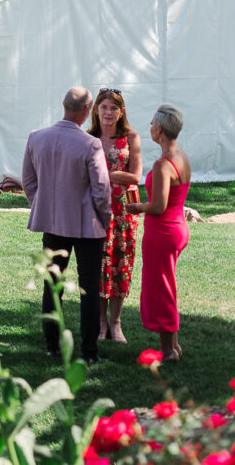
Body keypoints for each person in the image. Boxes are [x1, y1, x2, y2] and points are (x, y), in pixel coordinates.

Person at [22, 86, 111, 363]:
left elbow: (28, 180)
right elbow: (101, 190)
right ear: (87, 111)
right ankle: (89, 351)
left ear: (63, 105)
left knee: (53, 284)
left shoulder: (37, 138)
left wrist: (45, 205)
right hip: (87, 225)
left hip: (53, 223)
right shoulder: (90, 144)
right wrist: (105, 221)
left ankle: (52, 344)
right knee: (88, 288)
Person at [126, 104, 190, 361]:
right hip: (176, 228)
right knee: (167, 285)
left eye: (152, 123)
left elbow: (158, 206)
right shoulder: (181, 156)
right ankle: (173, 346)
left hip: (163, 231)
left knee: (160, 288)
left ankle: (167, 351)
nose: (150, 127)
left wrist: (135, 207)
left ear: (160, 129)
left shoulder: (163, 164)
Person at [90, 88, 142, 343]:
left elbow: (135, 176)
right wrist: (115, 174)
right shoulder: (89, 138)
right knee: (100, 265)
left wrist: (105, 174)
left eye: (114, 108)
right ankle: (101, 323)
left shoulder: (131, 137)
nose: (108, 113)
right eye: (104, 107)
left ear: (122, 112)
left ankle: (116, 322)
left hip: (124, 211)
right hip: (96, 209)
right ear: (96, 110)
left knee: (121, 265)